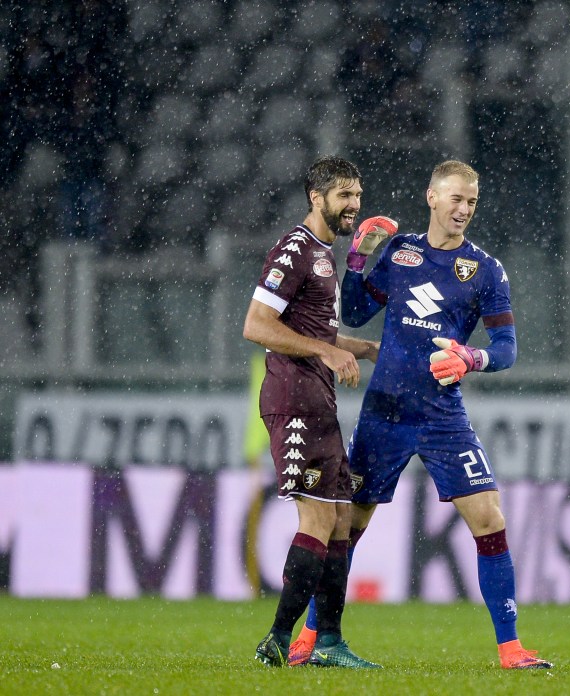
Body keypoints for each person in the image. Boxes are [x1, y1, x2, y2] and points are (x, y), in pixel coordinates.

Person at [288, 160, 553, 670]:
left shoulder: (485, 270)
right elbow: (358, 313)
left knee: (488, 517)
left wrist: (472, 358)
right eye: (455, 199)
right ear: (431, 197)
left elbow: (506, 348)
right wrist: (359, 262)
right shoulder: (403, 251)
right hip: (384, 411)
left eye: (471, 202)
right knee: (347, 525)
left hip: (441, 415)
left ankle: (511, 648)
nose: (463, 210)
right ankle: (313, 638)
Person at [244, 155, 380, 668]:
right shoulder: (295, 248)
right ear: (316, 198)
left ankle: (329, 643)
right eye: (344, 196)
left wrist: (357, 347)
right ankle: (279, 638)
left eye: (358, 196)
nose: (354, 206)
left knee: (342, 518)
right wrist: (326, 351)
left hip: (318, 397)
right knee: (320, 515)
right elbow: (257, 324)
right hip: (292, 399)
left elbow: (314, 330)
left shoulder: (323, 252)